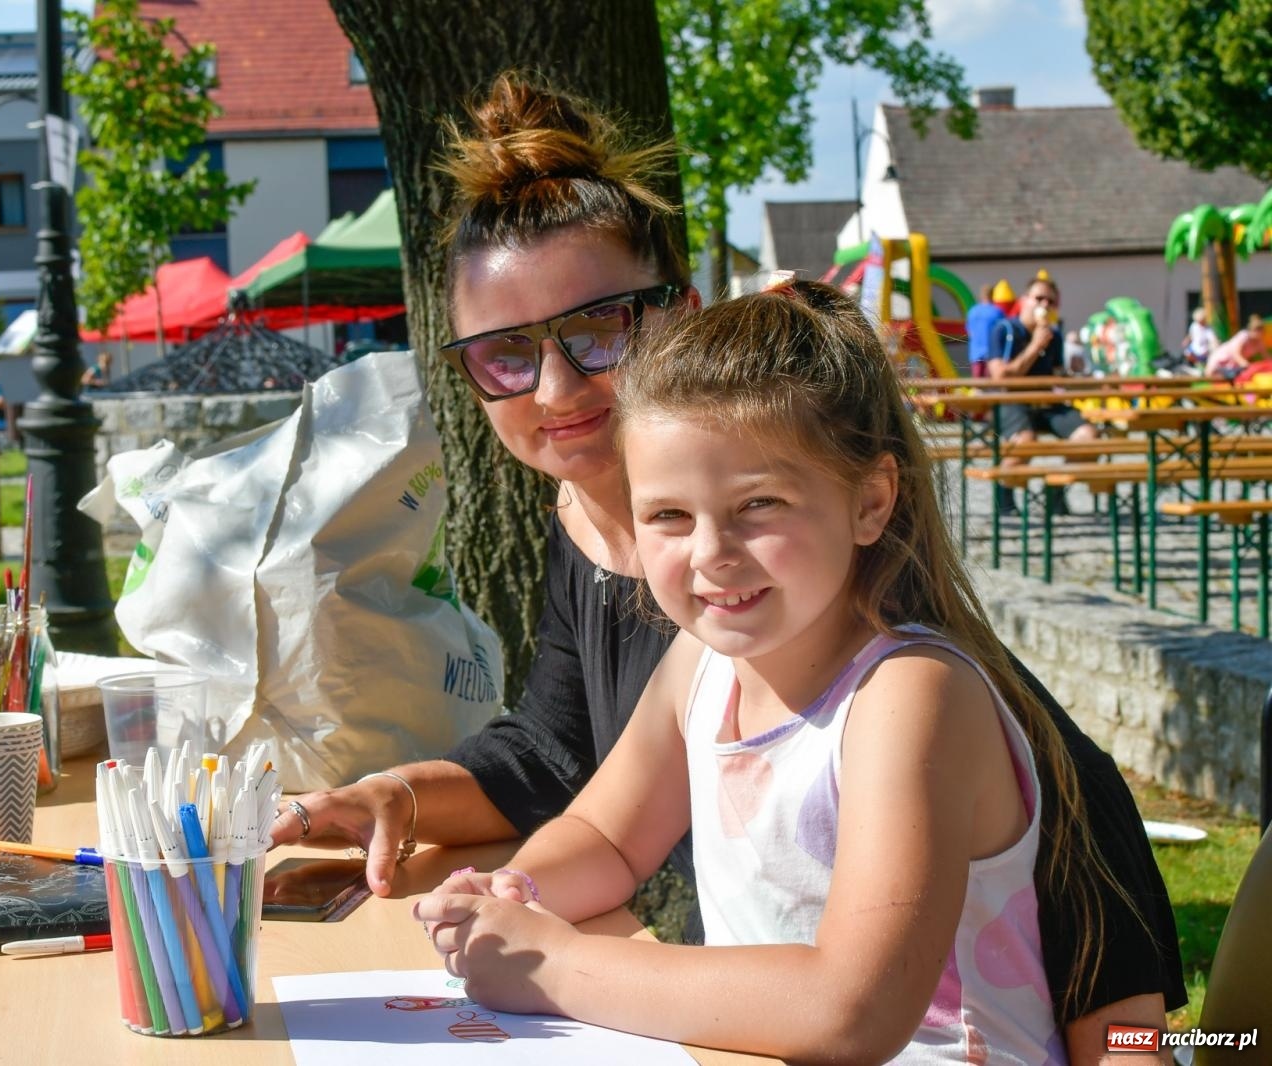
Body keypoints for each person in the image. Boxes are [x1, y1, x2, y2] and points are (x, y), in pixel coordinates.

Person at [269, 72, 1183, 1044]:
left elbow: (1003, 923)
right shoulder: (665, 598)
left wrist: (558, 959)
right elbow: (559, 757)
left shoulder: (871, 646)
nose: (555, 382)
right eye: (505, 352)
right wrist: (416, 813)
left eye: (595, 327)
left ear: (674, 313)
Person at [415, 283, 1170, 1062]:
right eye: (668, 515)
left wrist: (553, 965)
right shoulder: (702, 665)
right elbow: (608, 838)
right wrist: (514, 893)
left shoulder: (909, 695)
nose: (711, 553)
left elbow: (851, 1011)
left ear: (870, 502)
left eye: (759, 504)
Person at [986, 272, 1096, 516]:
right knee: (1026, 441)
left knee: (1089, 435)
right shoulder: (1005, 329)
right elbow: (1000, 377)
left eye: (1050, 301)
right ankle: (1004, 495)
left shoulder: (1054, 336)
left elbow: (1056, 377)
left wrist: (1073, 375)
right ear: (1026, 299)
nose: (1044, 305)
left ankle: (1056, 488)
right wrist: (1035, 346)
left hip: (1046, 403)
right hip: (1012, 401)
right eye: (1039, 299)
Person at [963, 279, 1011, 379]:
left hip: (975, 352)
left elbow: (969, 332)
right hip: (992, 354)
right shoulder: (997, 312)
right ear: (992, 295)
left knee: (977, 384)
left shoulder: (972, 311)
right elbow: (1004, 332)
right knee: (991, 386)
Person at [1204, 313, 1265, 379]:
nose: (1259, 333)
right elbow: (1236, 353)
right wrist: (1246, 365)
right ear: (1251, 330)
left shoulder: (1259, 342)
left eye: (1261, 331)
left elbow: (1266, 356)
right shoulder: (1243, 336)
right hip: (1222, 360)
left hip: (1234, 366)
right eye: (1257, 330)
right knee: (1213, 378)